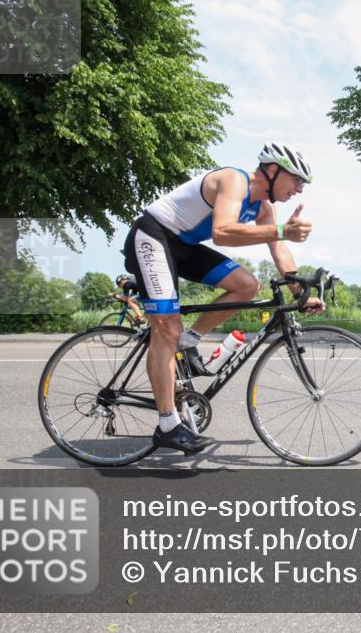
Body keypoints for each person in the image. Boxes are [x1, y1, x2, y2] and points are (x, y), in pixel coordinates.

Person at [122, 143, 324, 455]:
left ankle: (187, 343)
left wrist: (299, 291)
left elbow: (277, 247)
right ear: (273, 170)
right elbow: (223, 232)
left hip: (184, 245)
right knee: (167, 327)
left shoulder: (264, 207)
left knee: (247, 285)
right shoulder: (234, 180)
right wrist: (282, 230)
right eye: (297, 179)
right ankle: (168, 426)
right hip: (154, 235)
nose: (299, 188)